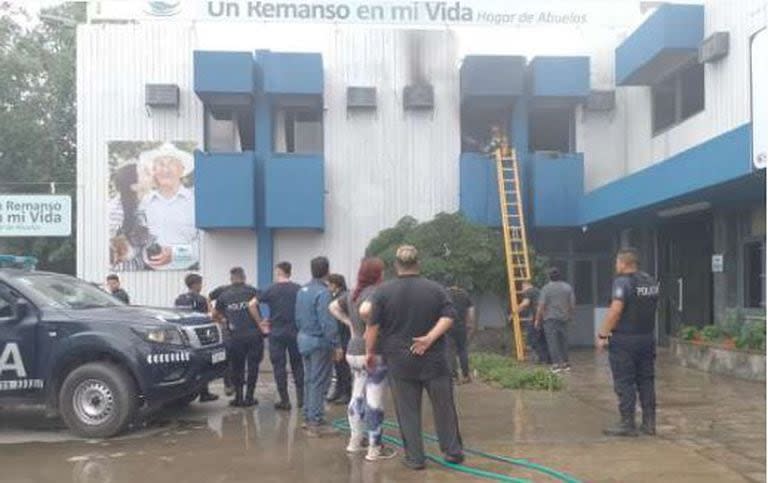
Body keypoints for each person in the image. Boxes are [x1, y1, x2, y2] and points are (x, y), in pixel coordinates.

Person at [362, 245, 464, 470]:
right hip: (434, 359)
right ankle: (453, 452)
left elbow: (372, 327)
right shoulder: (436, 289)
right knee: (444, 407)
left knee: (408, 410)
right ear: (418, 263)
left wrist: (370, 353)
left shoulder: (383, 291)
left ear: (396, 265)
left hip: (400, 361)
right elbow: (449, 317)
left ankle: (416, 459)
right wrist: (429, 338)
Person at [329, 257, 397, 461]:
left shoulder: (352, 294)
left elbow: (332, 306)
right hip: (372, 351)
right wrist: (369, 330)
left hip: (353, 350)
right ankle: (374, 449)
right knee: (374, 400)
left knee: (357, 395)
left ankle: (355, 441)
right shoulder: (376, 292)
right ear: (377, 274)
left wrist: (350, 323)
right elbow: (367, 311)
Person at [596, 248, 660, 437]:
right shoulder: (650, 281)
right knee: (646, 381)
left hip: (625, 340)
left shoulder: (622, 282)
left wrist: (602, 335)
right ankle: (649, 423)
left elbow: (615, 310)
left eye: (617, 262)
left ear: (624, 263)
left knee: (624, 382)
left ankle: (627, 423)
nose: (616, 266)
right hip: (647, 338)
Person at [295, 256, 342, 436]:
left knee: (309, 379)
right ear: (327, 271)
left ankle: (308, 416)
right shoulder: (324, 293)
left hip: (304, 338)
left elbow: (298, 317)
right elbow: (327, 322)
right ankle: (315, 421)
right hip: (318, 341)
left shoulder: (302, 290)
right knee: (319, 381)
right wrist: (336, 344)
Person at [250, 262, 304, 411]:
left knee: (279, 367)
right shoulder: (298, 289)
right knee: (298, 365)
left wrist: (260, 322)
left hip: (277, 333)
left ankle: (285, 400)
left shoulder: (270, 289)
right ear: (290, 272)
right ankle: (301, 400)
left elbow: (251, 304)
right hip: (295, 332)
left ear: (278, 272)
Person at [138, 142, 199, 271]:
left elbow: (206, 244)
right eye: (161, 164)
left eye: (171, 164)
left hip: (190, 273)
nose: (165, 170)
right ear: (154, 171)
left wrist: (176, 253)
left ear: (182, 170)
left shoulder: (195, 201)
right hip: (146, 272)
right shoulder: (143, 203)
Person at [214, 267, 264, 407]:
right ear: (244, 277)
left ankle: (239, 398)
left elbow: (215, 314)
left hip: (235, 337)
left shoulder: (224, 295)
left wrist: (224, 320)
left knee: (237, 367)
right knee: (253, 366)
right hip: (254, 335)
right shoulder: (252, 291)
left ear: (231, 279)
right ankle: (249, 397)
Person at [174, 273, 219, 403]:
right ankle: (204, 393)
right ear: (195, 284)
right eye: (200, 283)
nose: (201, 286)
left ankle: (186, 392)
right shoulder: (201, 299)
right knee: (203, 365)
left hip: (183, 335)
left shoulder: (180, 299)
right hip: (199, 335)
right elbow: (209, 316)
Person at [535, 268, 575, 373]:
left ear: (549, 277)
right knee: (564, 341)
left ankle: (556, 365)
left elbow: (541, 306)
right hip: (564, 318)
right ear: (560, 276)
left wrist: (538, 320)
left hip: (550, 319)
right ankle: (566, 364)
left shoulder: (546, 289)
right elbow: (571, 304)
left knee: (552, 342)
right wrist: (570, 316)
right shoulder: (567, 287)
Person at [327, 273, 352, 405]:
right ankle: (339, 390)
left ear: (335, 285)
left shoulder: (343, 297)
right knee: (338, 366)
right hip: (340, 335)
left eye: (329, 284)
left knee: (343, 367)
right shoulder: (338, 296)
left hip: (344, 335)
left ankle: (346, 393)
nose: (328, 287)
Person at [445, 280, 475, 384]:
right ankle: (466, 376)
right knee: (463, 350)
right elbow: (471, 311)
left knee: (450, 351)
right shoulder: (464, 294)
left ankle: (454, 377)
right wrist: (470, 324)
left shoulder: (445, 294)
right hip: (461, 326)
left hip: (447, 326)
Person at [518, 281, 550, 365]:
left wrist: (514, 312)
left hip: (538, 317)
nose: (522, 290)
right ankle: (548, 359)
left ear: (525, 286)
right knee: (543, 338)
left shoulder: (529, 291)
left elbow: (525, 304)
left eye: (522, 288)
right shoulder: (539, 291)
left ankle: (541, 359)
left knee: (534, 338)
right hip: (546, 317)